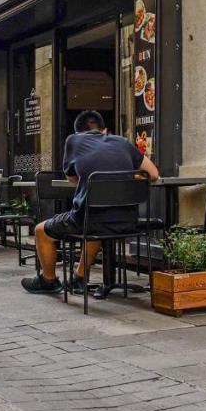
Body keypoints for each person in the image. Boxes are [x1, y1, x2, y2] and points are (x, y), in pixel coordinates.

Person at [22, 111, 159, 295]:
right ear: (105, 130)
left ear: (78, 132)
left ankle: (49, 281)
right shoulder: (122, 142)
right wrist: (126, 176)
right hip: (129, 222)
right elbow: (154, 175)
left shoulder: (73, 140)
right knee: (96, 222)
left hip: (91, 221)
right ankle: (78, 278)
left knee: (42, 230)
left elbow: (71, 178)